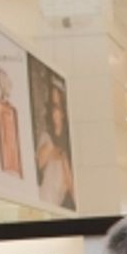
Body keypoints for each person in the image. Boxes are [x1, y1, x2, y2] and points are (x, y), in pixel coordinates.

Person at [35, 82, 75, 210]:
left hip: (55, 209)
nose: (53, 112)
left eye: (57, 107)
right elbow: (38, 163)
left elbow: (72, 189)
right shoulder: (47, 138)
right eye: (52, 106)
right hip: (41, 205)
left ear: (63, 112)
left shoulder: (67, 148)